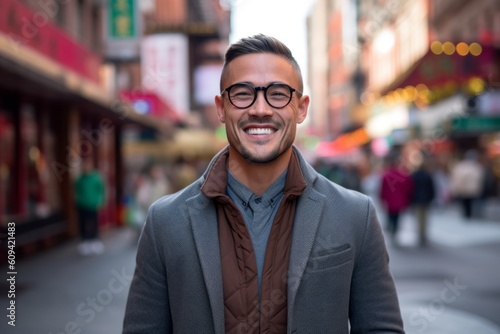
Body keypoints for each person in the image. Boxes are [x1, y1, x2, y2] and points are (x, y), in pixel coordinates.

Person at [123, 34, 404, 333]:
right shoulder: (164, 221)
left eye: (279, 94)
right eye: (242, 94)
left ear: (301, 108)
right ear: (221, 108)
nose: (260, 109)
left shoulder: (355, 215)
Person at [74, 157, 106, 255]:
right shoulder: (80, 179)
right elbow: (76, 190)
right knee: (83, 223)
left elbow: (102, 190)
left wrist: (100, 201)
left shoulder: (96, 177)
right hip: (82, 205)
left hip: (93, 204)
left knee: (94, 223)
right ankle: (85, 241)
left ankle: (94, 240)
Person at [379, 151, 414, 242]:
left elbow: (383, 189)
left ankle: (392, 229)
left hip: (389, 200)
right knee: (397, 217)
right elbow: (408, 189)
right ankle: (395, 230)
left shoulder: (386, 175)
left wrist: (382, 198)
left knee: (390, 215)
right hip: (399, 200)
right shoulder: (403, 175)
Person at [449, 149, 485, 219]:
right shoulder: (476, 167)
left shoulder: (462, 166)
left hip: (466, 189)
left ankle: (468, 215)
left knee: (467, 204)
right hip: (470, 190)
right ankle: (468, 215)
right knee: (469, 204)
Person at [410, 157, 435, 246]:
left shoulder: (414, 175)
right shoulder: (428, 175)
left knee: (419, 218)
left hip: (417, 199)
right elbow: (432, 188)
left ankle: (420, 235)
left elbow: (411, 189)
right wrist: (431, 197)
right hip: (426, 199)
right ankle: (423, 235)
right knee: (425, 218)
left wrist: (411, 199)